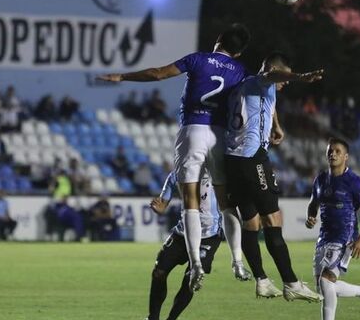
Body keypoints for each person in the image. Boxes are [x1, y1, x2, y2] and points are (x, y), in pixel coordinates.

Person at [98, 24, 253, 291]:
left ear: (218, 38)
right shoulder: (241, 72)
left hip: (193, 130)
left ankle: (195, 264)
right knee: (227, 204)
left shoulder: (198, 59)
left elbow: (159, 74)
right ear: (238, 53)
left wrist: (122, 77)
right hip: (220, 134)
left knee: (190, 202)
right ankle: (238, 261)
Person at [225, 52, 324, 302]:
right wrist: (301, 76)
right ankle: (291, 282)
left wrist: (276, 125)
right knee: (272, 218)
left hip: (233, 160)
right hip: (252, 158)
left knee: (251, 222)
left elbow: (267, 99)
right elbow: (270, 76)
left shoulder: (247, 85)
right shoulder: (261, 79)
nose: (286, 81)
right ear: (272, 70)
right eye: (284, 75)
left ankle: (262, 280)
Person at [129, 170, 222, 320]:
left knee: (190, 279)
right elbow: (163, 203)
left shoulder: (217, 171)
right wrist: (159, 207)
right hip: (182, 234)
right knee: (159, 271)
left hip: (208, 236)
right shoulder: (176, 175)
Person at [305, 138, 360, 320]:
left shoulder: (354, 182)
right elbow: (313, 204)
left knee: (326, 281)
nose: (333, 154)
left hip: (345, 239)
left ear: (346, 157)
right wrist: (310, 217)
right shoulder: (321, 180)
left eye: (338, 151)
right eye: (330, 151)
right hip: (324, 238)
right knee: (324, 286)